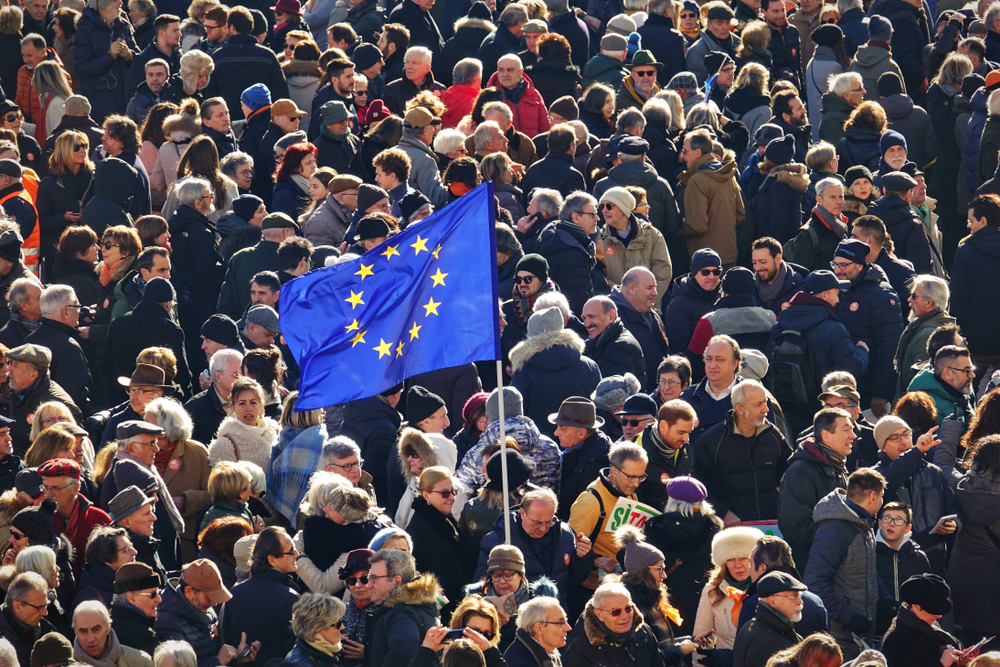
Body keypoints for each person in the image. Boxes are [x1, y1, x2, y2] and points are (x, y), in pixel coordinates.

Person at [804, 468, 892, 658]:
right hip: (841, 637)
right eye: (882, 496)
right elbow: (815, 582)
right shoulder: (834, 531)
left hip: (861, 632)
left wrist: (885, 601)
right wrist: (850, 617)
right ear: (873, 496)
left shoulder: (863, 524)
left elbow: (868, 569)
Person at [693, 380, 792, 525]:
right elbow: (697, 486)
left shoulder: (774, 435)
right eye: (758, 404)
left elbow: (791, 472)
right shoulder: (710, 442)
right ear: (739, 409)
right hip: (731, 531)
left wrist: (778, 494)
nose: (766, 409)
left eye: (765, 402)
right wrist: (722, 512)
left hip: (772, 525)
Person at [872, 414, 959, 573]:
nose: (904, 441)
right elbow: (892, 478)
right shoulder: (874, 477)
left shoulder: (933, 472)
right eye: (895, 438)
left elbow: (953, 508)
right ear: (882, 446)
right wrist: (916, 452)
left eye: (906, 434)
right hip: (895, 565)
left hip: (935, 560)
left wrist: (955, 524)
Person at [567, 442, 646, 613]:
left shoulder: (629, 492)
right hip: (592, 590)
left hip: (621, 583)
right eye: (631, 477)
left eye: (641, 477)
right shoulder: (590, 501)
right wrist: (595, 560)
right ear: (614, 470)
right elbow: (569, 545)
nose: (637, 483)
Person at [829, 238, 904, 416]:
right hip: (842, 390)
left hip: (869, 393)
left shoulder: (881, 295)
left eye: (844, 265)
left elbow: (891, 346)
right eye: (835, 264)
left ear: (860, 266)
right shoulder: (837, 289)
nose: (838, 270)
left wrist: (881, 393)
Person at [777, 408, 852, 566]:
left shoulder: (838, 465)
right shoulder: (800, 472)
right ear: (826, 435)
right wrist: (842, 527)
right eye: (846, 430)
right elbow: (795, 529)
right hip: (812, 567)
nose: (853, 436)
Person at [155, 558, 259, 667]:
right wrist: (217, 661)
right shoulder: (167, 623)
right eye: (209, 597)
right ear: (188, 592)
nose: (214, 603)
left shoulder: (203, 608)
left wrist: (236, 659)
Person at [222, 527, 300, 667]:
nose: (297, 554)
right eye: (291, 551)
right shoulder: (290, 598)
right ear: (272, 560)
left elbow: (226, 641)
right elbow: (294, 651)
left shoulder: (234, 593)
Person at [952, 194, 1000, 387]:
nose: (968, 226)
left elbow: (959, 297)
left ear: (983, 221)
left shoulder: (966, 251)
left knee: (968, 391)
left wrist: (955, 331)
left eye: (971, 220)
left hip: (976, 340)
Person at [678, 129, 744, 267]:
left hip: (704, 260)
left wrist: (678, 230)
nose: (683, 156)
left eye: (685, 151)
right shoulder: (727, 175)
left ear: (697, 152)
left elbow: (697, 226)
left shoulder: (696, 180)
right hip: (729, 255)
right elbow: (740, 214)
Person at [365, 548, 441, 667]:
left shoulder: (401, 613)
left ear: (396, 581)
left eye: (374, 579)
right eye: (369, 578)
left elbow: (404, 650)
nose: (369, 585)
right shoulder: (414, 607)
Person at [732, 572, 805, 667]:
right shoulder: (766, 641)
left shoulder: (755, 627)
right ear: (772, 601)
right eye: (794, 597)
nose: (800, 602)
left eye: (799, 596)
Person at [907, 346, 977, 433]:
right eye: (967, 371)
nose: (972, 375)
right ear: (947, 373)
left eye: (972, 370)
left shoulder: (959, 391)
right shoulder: (926, 408)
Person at [875, 501, 933, 603]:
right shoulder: (870, 554)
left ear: (908, 528)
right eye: (887, 518)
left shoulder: (918, 557)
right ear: (880, 523)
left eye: (898, 520)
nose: (891, 524)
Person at [581, 296, 645, 386]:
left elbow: (605, 389)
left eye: (591, 317)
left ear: (611, 316)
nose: (586, 324)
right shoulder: (597, 342)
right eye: (584, 318)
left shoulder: (623, 347)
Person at [71, 600, 153, 667]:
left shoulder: (140, 662)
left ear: (108, 628)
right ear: (75, 632)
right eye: (83, 632)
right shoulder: (66, 663)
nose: (90, 639)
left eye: (96, 630)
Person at [0, 572, 57, 667]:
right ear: (17, 606)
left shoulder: (46, 629)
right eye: (39, 607)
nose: (45, 613)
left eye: (46, 606)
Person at [502, 596, 572, 667]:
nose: (568, 628)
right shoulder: (520, 662)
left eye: (566, 621)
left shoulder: (550, 652)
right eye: (561, 623)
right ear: (539, 628)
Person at [285, 592, 346, 667]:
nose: (342, 627)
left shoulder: (323, 652)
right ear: (318, 628)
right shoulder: (300, 664)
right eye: (338, 624)